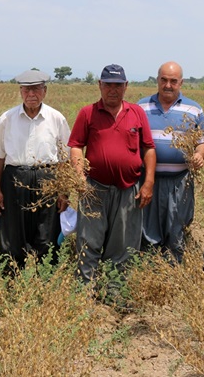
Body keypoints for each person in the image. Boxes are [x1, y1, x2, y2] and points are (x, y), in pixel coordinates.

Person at [68, 64, 156, 283]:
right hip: (94, 189)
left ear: (126, 86)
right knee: (89, 240)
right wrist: (80, 176)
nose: (113, 90)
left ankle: (114, 292)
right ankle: (84, 291)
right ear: (100, 85)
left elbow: (148, 148)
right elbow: (76, 146)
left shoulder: (136, 113)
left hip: (128, 189)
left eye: (118, 85)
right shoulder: (88, 113)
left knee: (124, 244)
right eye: (108, 85)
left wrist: (149, 182)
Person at [0, 70, 71, 273]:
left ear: (44, 91)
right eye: (27, 90)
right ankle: (12, 283)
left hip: (48, 181)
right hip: (14, 181)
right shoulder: (7, 119)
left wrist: (63, 192)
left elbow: (64, 159)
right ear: (21, 92)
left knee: (47, 235)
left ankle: (44, 280)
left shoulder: (56, 119)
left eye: (36, 89)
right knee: (12, 236)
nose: (31, 94)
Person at [137, 61, 204, 263]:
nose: (168, 85)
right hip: (149, 179)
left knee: (177, 224)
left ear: (181, 82)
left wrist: (199, 155)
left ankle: (173, 268)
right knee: (148, 225)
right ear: (157, 80)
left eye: (173, 81)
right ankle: (149, 266)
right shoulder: (141, 107)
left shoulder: (193, 109)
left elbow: (203, 142)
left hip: (180, 180)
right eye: (164, 80)